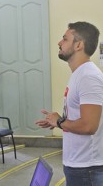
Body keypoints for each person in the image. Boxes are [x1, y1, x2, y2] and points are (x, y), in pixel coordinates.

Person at [35, 21, 103, 186]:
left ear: (78, 45)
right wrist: (57, 121)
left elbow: (89, 126)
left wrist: (59, 121)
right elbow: (80, 117)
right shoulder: (79, 74)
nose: (59, 43)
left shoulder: (88, 77)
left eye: (65, 39)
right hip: (78, 165)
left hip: (87, 168)